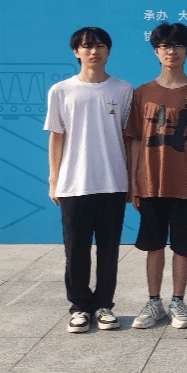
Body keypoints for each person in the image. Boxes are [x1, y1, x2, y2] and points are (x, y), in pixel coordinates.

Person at [124, 22, 187, 330]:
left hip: (185, 183)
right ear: (156, 51)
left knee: (182, 246)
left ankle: (178, 301)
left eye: (178, 45)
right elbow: (135, 139)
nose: (171, 51)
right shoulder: (142, 93)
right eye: (164, 46)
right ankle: (154, 302)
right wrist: (134, 181)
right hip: (150, 183)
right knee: (153, 245)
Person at [45, 27, 133, 334]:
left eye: (100, 46)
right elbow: (57, 136)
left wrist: (132, 179)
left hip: (113, 181)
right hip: (74, 183)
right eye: (87, 46)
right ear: (76, 52)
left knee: (109, 249)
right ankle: (80, 307)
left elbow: (129, 138)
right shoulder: (61, 90)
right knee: (76, 249)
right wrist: (54, 179)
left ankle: (105, 305)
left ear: (109, 51)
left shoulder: (123, 90)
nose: (94, 51)